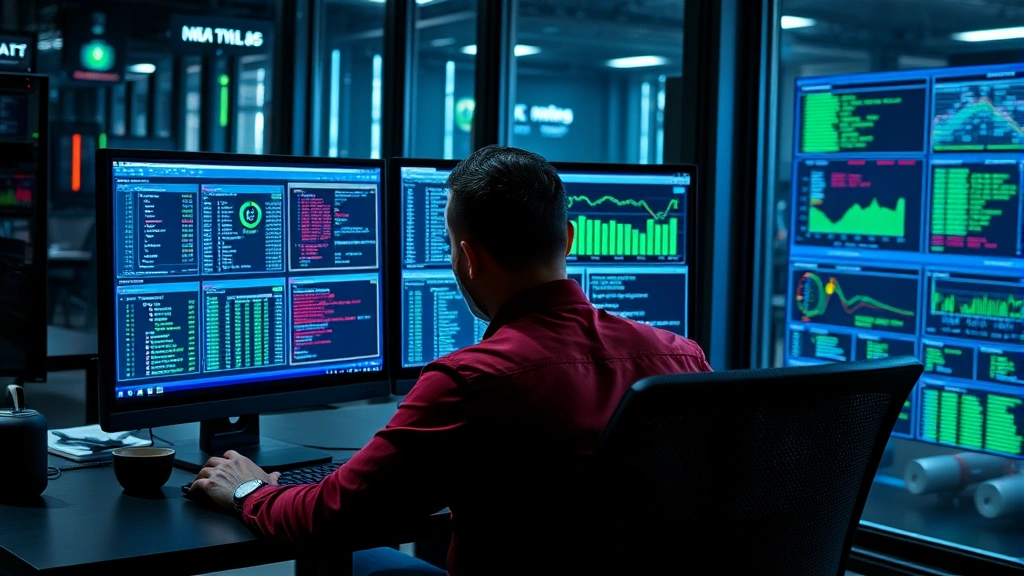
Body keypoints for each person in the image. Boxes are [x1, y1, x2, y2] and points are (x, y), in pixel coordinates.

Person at [188, 146, 712, 575]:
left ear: (467, 256)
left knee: (359, 563)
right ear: (569, 238)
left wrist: (251, 490)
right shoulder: (682, 362)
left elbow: (333, 516)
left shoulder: (471, 381)